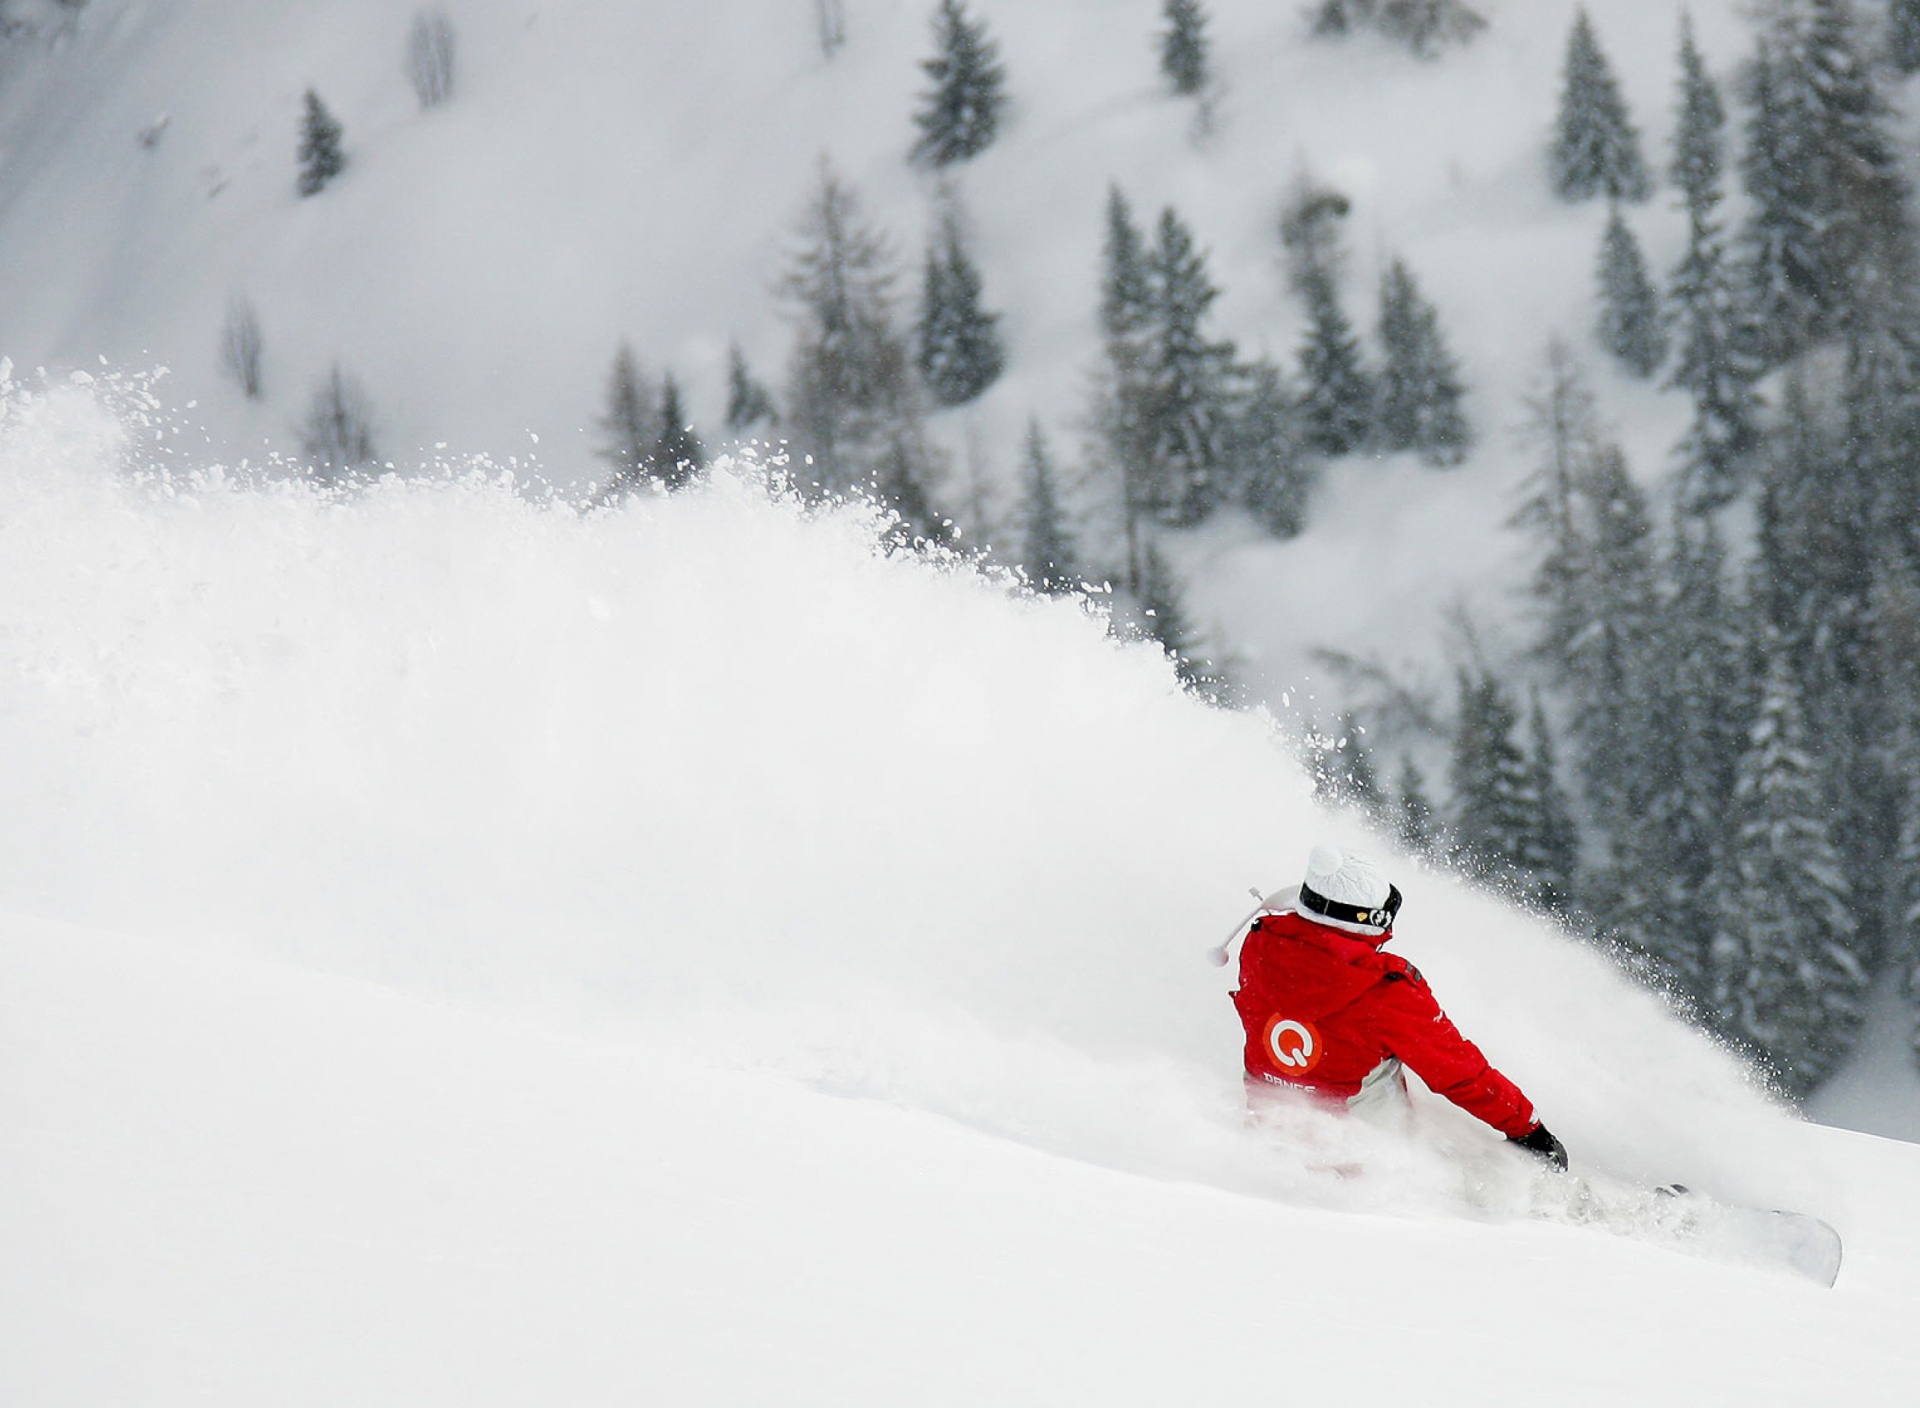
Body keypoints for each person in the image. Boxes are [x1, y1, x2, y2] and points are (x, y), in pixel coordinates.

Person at [1230, 844, 1568, 1169]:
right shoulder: (1384, 989)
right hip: (1369, 1156)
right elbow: (1456, 1071)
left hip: (1269, 1137)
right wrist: (1527, 1128)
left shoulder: (1260, 945)